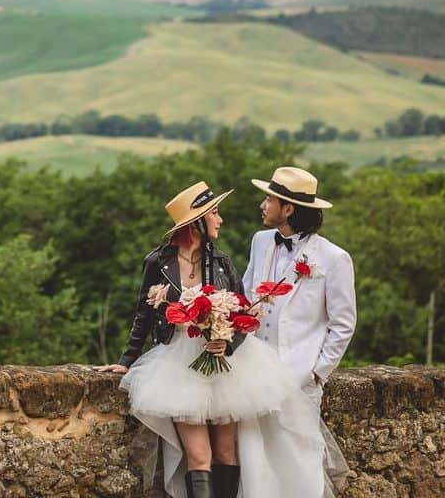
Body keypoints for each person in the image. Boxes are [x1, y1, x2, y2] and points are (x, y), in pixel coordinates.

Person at [99, 181, 325, 498]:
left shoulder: (222, 263)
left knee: (226, 454)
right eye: (215, 214)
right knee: (199, 456)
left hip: (226, 366)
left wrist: (227, 341)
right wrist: (125, 362)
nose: (220, 221)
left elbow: (245, 318)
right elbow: (144, 314)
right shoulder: (157, 263)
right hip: (178, 365)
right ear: (197, 223)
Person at [244, 166, 355, 495]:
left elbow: (343, 323)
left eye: (269, 199)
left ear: (288, 208)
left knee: (300, 459)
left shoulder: (334, 258)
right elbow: (249, 294)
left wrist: (317, 373)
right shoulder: (261, 241)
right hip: (254, 372)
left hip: (299, 377)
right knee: (254, 458)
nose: (262, 205)